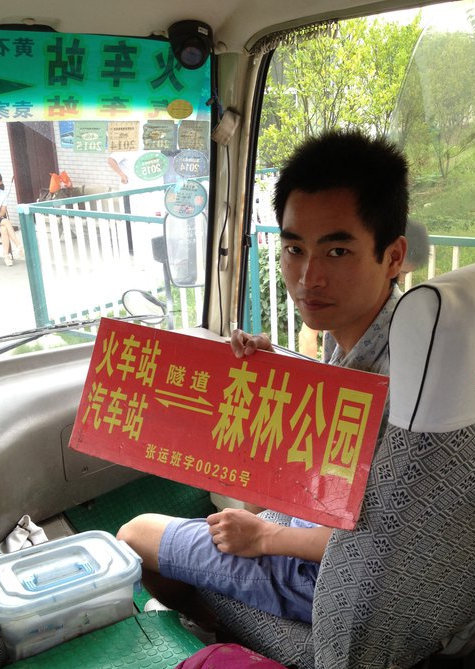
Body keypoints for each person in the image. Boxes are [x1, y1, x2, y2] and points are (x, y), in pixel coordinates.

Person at [117, 129, 409, 632]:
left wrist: (265, 538)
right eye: (294, 248)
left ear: (394, 256)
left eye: (338, 252)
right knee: (233, 490)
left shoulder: (399, 388)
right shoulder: (378, 332)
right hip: (312, 521)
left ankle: (221, 629)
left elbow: (380, 541)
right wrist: (282, 380)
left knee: (136, 533)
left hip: (323, 576)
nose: (308, 278)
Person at [298, 217, 430, 358]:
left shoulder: (407, 343)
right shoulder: (342, 310)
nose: (308, 281)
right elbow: (307, 337)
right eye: (295, 249)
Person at [0, 171, 24, 267]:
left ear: (0, 182)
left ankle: (6, 256)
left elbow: (3, 211)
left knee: (3, 229)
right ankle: (18, 245)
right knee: (6, 222)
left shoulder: (3, 194)